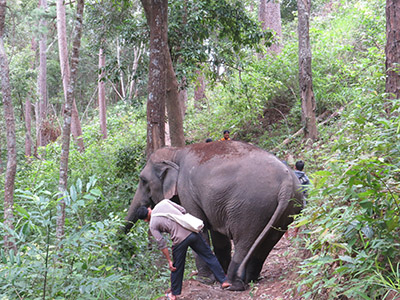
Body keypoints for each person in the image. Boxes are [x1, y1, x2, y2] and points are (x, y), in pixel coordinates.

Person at [136, 200, 230, 300]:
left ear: (145, 220)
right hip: (192, 233)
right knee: (209, 256)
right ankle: (224, 281)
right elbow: (182, 210)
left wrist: (169, 260)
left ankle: (173, 295)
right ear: (148, 209)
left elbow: (161, 244)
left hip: (179, 241)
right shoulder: (164, 203)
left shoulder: (152, 225)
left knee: (176, 267)